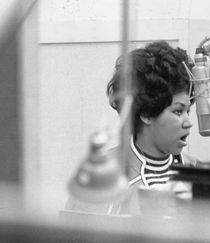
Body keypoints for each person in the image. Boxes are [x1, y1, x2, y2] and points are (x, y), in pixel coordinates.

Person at [66, 41, 200, 215]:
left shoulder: (195, 170)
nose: (188, 122)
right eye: (178, 111)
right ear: (146, 114)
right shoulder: (101, 175)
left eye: (188, 110)